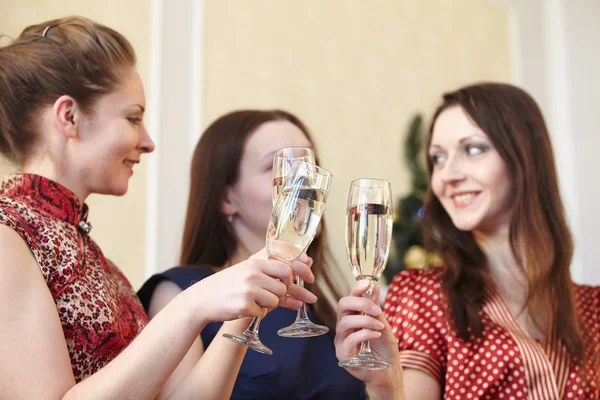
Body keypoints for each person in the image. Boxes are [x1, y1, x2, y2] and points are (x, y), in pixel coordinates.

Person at [0, 16, 316, 399]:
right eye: (133, 118)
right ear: (69, 117)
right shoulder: (8, 233)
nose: (148, 141)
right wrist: (191, 304)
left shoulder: (95, 259)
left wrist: (248, 308)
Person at [334, 82, 600, 399]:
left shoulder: (592, 307)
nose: (447, 175)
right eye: (438, 158)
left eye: (473, 149)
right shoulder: (423, 296)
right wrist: (385, 387)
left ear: (525, 157)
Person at [138, 109, 366, 399]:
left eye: (310, 166)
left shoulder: (317, 306)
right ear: (226, 198)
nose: (304, 183)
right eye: (278, 167)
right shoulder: (178, 292)